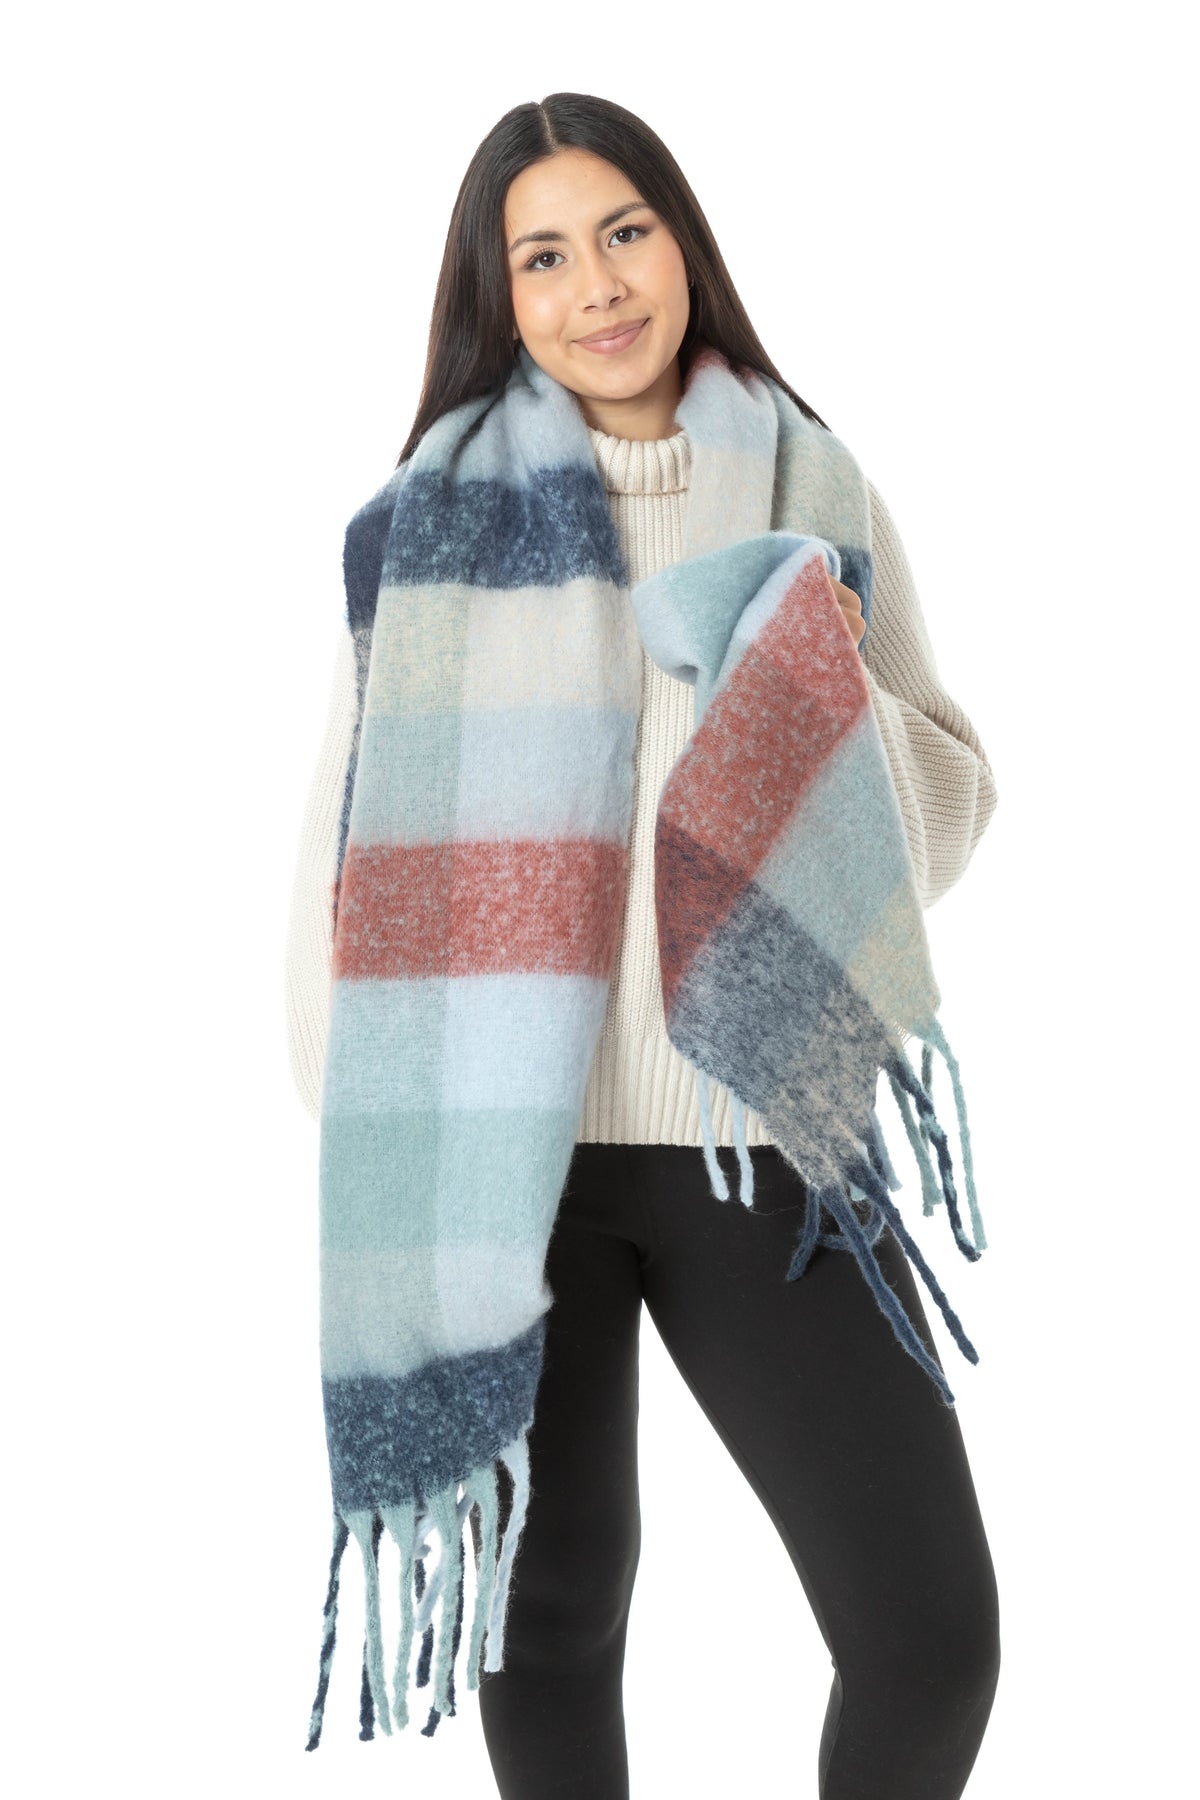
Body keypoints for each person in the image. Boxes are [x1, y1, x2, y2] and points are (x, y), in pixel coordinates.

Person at [286, 91, 1001, 1800]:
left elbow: (955, 796)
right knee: (551, 1619)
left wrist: (811, 687)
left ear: (682, 241)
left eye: (624, 232)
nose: (597, 286)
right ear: (497, 293)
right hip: (494, 1164)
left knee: (927, 1635)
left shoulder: (811, 490)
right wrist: (378, 1136)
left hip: (760, 1130)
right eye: (543, 256)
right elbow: (343, 845)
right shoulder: (421, 528)